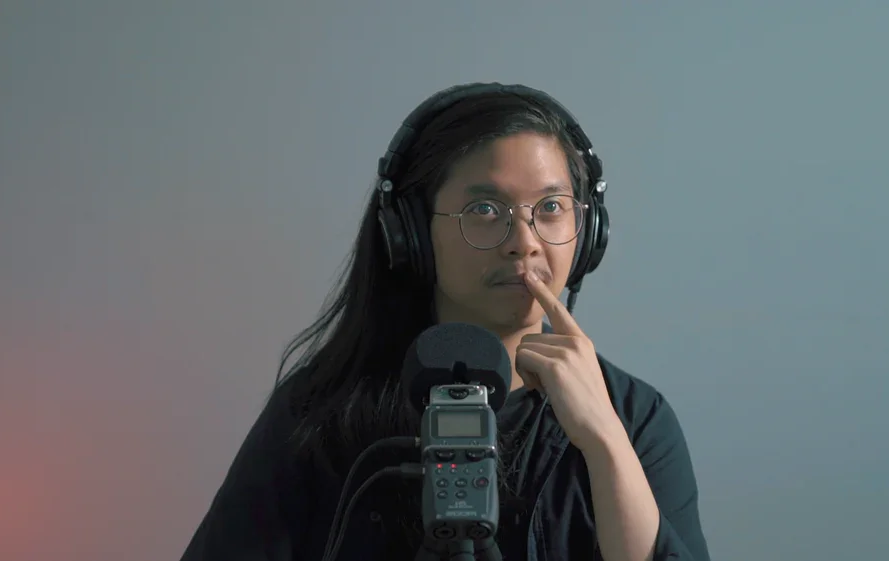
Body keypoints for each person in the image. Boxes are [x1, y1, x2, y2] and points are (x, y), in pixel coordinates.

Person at [180, 83, 711, 561]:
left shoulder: (635, 418)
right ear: (410, 233)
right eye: (485, 210)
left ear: (588, 230)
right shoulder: (316, 415)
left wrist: (604, 441)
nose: (524, 242)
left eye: (551, 207)